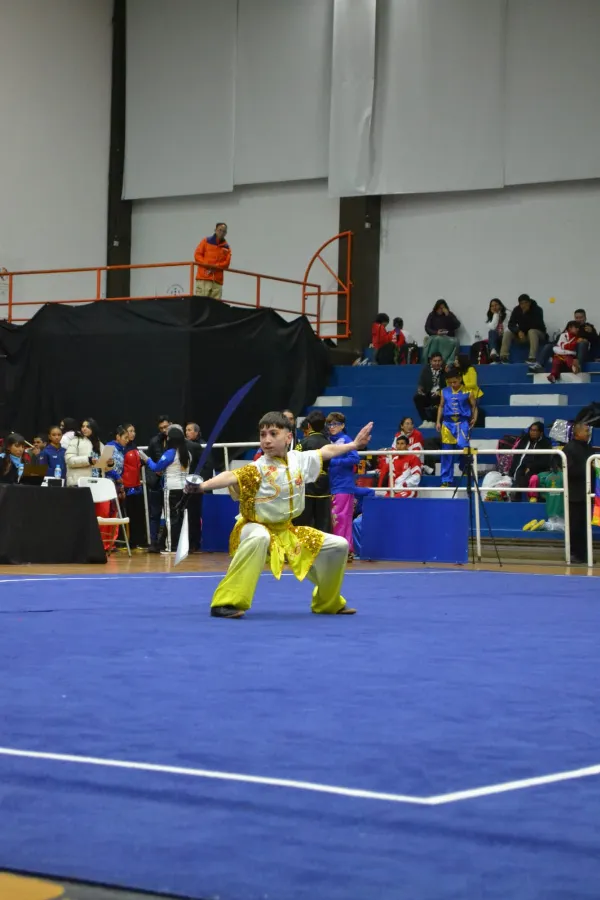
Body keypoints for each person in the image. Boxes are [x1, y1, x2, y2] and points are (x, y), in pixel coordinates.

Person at [193, 410, 372, 619]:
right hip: (253, 527)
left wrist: (353, 445)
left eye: (273, 434)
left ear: (288, 437)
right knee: (260, 536)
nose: (266, 440)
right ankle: (225, 603)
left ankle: (327, 602)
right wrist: (202, 486)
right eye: (262, 435)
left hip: (286, 533)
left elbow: (326, 451)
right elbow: (230, 476)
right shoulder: (257, 467)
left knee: (339, 546)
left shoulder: (299, 460)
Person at [143, 425, 190, 554]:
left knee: (170, 518)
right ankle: (179, 545)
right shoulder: (187, 453)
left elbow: (157, 468)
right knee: (179, 518)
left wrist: (147, 460)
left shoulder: (170, 453)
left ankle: (170, 547)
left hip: (172, 488)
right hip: (184, 489)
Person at [326, 411, 360, 559]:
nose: (332, 427)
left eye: (335, 424)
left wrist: (334, 462)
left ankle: (342, 551)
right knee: (338, 519)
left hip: (343, 486)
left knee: (341, 519)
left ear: (342, 425)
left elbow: (355, 459)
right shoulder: (328, 441)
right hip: (332, 485)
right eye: (330, 424)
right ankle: (346, 550)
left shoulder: (346, 439)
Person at [436, 368, 477, 487]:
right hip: (447, 423)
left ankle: (464, 467)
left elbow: (474, 406)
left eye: (454, 382)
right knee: (447, 451)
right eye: (450, 382)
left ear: (459, 379)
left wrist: (474, 418)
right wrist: (438, 421)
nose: (452, 384)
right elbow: (441, 406)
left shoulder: (468, 391)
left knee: (463, 446)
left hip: (462, 422)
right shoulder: (444, 391)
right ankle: (446, 480)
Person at [563, 422, 596, 563]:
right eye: (586, 430)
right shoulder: (570, 448)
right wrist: (589, 469)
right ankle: (575, 554)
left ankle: (584, 554)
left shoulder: (588, 447)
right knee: (575, 525)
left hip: (587, 493)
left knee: (585, 525)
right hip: (575, 494)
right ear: (577, 433)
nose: (588, 433)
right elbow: (568, 471)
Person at [293, 410, 331, 532]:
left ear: (308, 425)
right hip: (325, 484)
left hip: (308, 484)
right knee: (323, 520)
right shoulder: (328, 442)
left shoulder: (303, 442)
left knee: (304, 519)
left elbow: (294, 461)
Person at [146, 415, 172, 552]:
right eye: (161, 428)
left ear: (171, 425)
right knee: (154, 514)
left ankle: (165, 542)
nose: (164, 430)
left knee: (170, 515)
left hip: (172, 483)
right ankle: (153, 543)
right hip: (156, 484)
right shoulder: (154, 441)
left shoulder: (176, 441)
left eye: (166, 427)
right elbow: (148, 462)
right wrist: (151, 478)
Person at [508, 422, 553, 501]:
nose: (532, 432)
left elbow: (545, 461)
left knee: (526, 476)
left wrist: (530, 467)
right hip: (521, 467)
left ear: (541, 433)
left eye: (535, 430)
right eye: (531, 430)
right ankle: (514, 495)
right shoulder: (525, 440)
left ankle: (516, 494)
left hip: (536, 469)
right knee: (518, 472)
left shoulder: (545, 443)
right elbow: (517, 456)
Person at [500, 294, 546, 364]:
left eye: (526, 303)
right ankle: (504, 357)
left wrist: (526, 314)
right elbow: (511, 324)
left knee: (532, 331)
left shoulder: (537, 309)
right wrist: (518, 331)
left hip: (538, 335)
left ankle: (532, 358)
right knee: (508, 332)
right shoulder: (517, 310)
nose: (524, 305)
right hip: (524, 335)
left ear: (529, 302)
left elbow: (536, 325)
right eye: (521, 304)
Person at [122, 423, 147, 550]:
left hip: (137, 485)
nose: (133, 433)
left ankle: (139, 540)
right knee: (129, 514)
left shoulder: (134, 447)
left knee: (138, 514)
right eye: (130, 431)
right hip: (126, 486)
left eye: (134, 431)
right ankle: (129, 541)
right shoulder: (122, 448)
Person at [193, 222, 231, 299]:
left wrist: (216, 267)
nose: (221, 233)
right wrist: (207, 265)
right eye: (220, 230)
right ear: (215, 230)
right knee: (201, 304)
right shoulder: (206, 241)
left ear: (226, 233)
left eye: (224, 231)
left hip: (217, 282)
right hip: (204, 278)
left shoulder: (227, 247)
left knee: (215, 307)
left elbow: (226, 263)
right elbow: (197, 255)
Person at [378, 433, 422, 498]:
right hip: (395, 490)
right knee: (380, 497)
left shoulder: (413, 458)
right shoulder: (394, 459)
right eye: (398, 444)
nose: (399, 446)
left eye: (402, 444)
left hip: (408, 490)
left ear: (407, 446)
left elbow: (416, 477)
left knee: (395, 499)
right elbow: (391, 478)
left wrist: (405, 485)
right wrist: (391, 490)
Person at [65, 419, 105, 487]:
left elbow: (103, 467)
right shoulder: (75, 441)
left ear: (93, 428)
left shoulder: (100, 444)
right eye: (83, 426)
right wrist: (88, 460)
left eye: (88, 427)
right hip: (78, 483)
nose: (84, 429)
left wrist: (110, 464)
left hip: (97, 483)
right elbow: (69, 460)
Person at [413, 352, 446, 425]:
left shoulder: (445, 370)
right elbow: (421, 384)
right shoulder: (426, 370)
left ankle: (437, 421)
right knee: (417, 398)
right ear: (431, 361)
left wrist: (439, 392)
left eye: (439, 361)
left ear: (442, 361)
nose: (437, 363)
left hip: (441, 396)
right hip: (429, 394)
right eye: (435, 361)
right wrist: (420, 390)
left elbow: (448, 386)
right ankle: (426, 420)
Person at [424, 300, 461, 364]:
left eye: (443, 308)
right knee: (436, 339)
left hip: (448, 338)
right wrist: (436, 332)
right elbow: (427, 328)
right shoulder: (432, 315)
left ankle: (447, 362)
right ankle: (432, 360)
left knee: (455, 341)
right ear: (436, 308)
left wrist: (448, 315)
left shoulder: (449, 314)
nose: (441, 310)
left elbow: (457, 325)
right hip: (436, 336)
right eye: (439, 308)